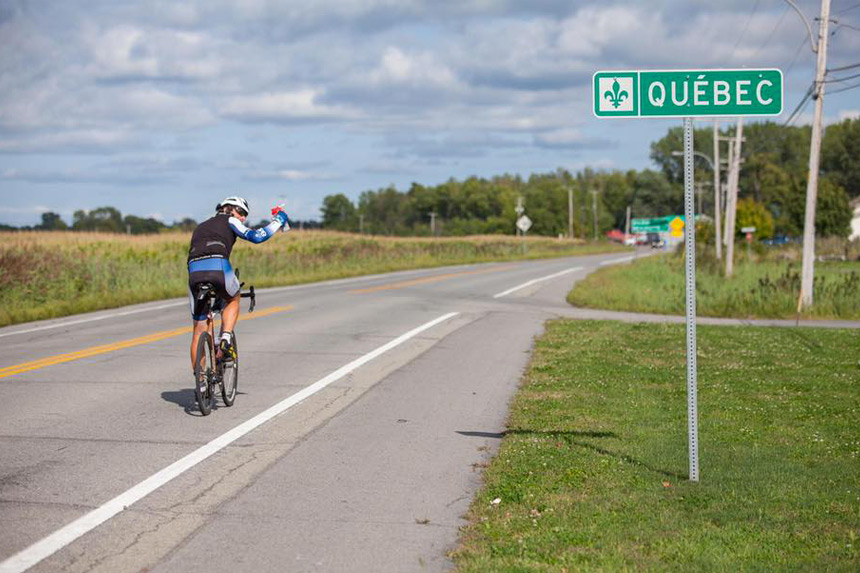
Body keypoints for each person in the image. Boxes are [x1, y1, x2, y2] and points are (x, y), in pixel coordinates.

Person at [187, 196, 289, 373]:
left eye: (245, 215)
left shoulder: (200, 226)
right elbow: (256, 237)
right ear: (229, 209)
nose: (242, 218)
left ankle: (201, 382)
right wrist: (278, 221)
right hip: (218, 267)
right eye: (241, 212)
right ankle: (226, 337)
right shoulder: (230, 219)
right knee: (233, 298)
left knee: (199, 329)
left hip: (194, 272)